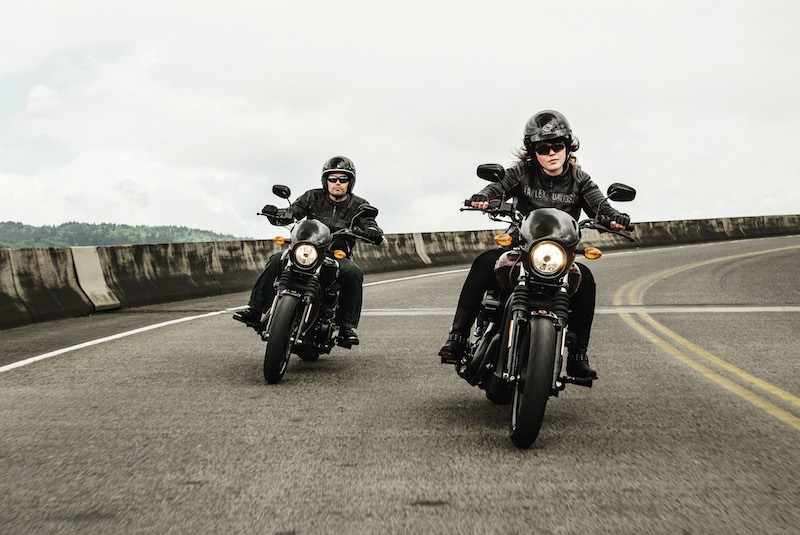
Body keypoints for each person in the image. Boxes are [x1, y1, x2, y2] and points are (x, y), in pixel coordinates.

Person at [438, 110, 631, 378]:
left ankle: (577, 354)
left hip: (560, 256)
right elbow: (498, 186)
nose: (552, 152)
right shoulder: (522, 172)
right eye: (543, 148)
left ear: (568, 146)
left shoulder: (580, 180)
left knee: (585, 279)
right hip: (520, 248)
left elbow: (600, 204)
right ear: (533, 151)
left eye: (558, 146)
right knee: (484, 262)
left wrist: (614, 218)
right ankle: (458, 337)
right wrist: (482, 197)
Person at [233, 155, 383, 346]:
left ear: (350, 182)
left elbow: (371, 224)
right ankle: (255, 310)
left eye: (343, 179)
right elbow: (292, 212)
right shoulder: (312, 196)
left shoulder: (359, 205)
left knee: (353, 272)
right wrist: (275, 213)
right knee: (277, 259)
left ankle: (346, 327)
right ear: (325, 180)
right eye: (333, 178)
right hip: (307, 250)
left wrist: (372, 231)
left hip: (335, 256)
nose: (337, 183)